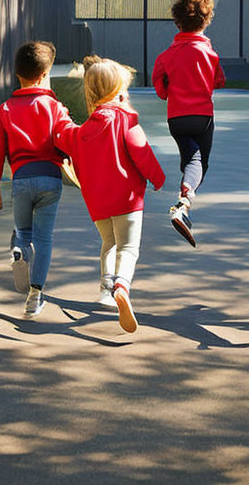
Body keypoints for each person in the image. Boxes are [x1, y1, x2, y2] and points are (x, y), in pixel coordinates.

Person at [55, 57, 165, 334]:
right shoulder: (127, 121)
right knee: (128, 248)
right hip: (128, 200)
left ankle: (106, 288)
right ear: (117, 93)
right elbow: (142, 152)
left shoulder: (81, 132)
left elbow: (62, 135)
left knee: (108, 243)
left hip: (98, 203)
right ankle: (122, 287)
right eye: (123, 91)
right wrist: (157, 177)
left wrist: (59, 115)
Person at [0, 41, 73, 319]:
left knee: (23, 233)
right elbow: (68, 142)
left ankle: (17, 249)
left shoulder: (5, 109)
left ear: (17, 75)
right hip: (50, 180)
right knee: (44, 238)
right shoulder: (55, 107)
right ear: (44, 75)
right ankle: (34, 297)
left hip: (21, 180)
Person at [152, 0, 225, 247]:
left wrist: (172, 86)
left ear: (177, 22)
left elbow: (160, 90)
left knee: (190, 159)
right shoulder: (210, 54)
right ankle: (183, 203)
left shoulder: (165, 57)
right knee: (198, 162)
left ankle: (185, 201)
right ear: (205, 22)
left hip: (177, 118)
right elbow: (219, 80)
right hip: (203, 117)